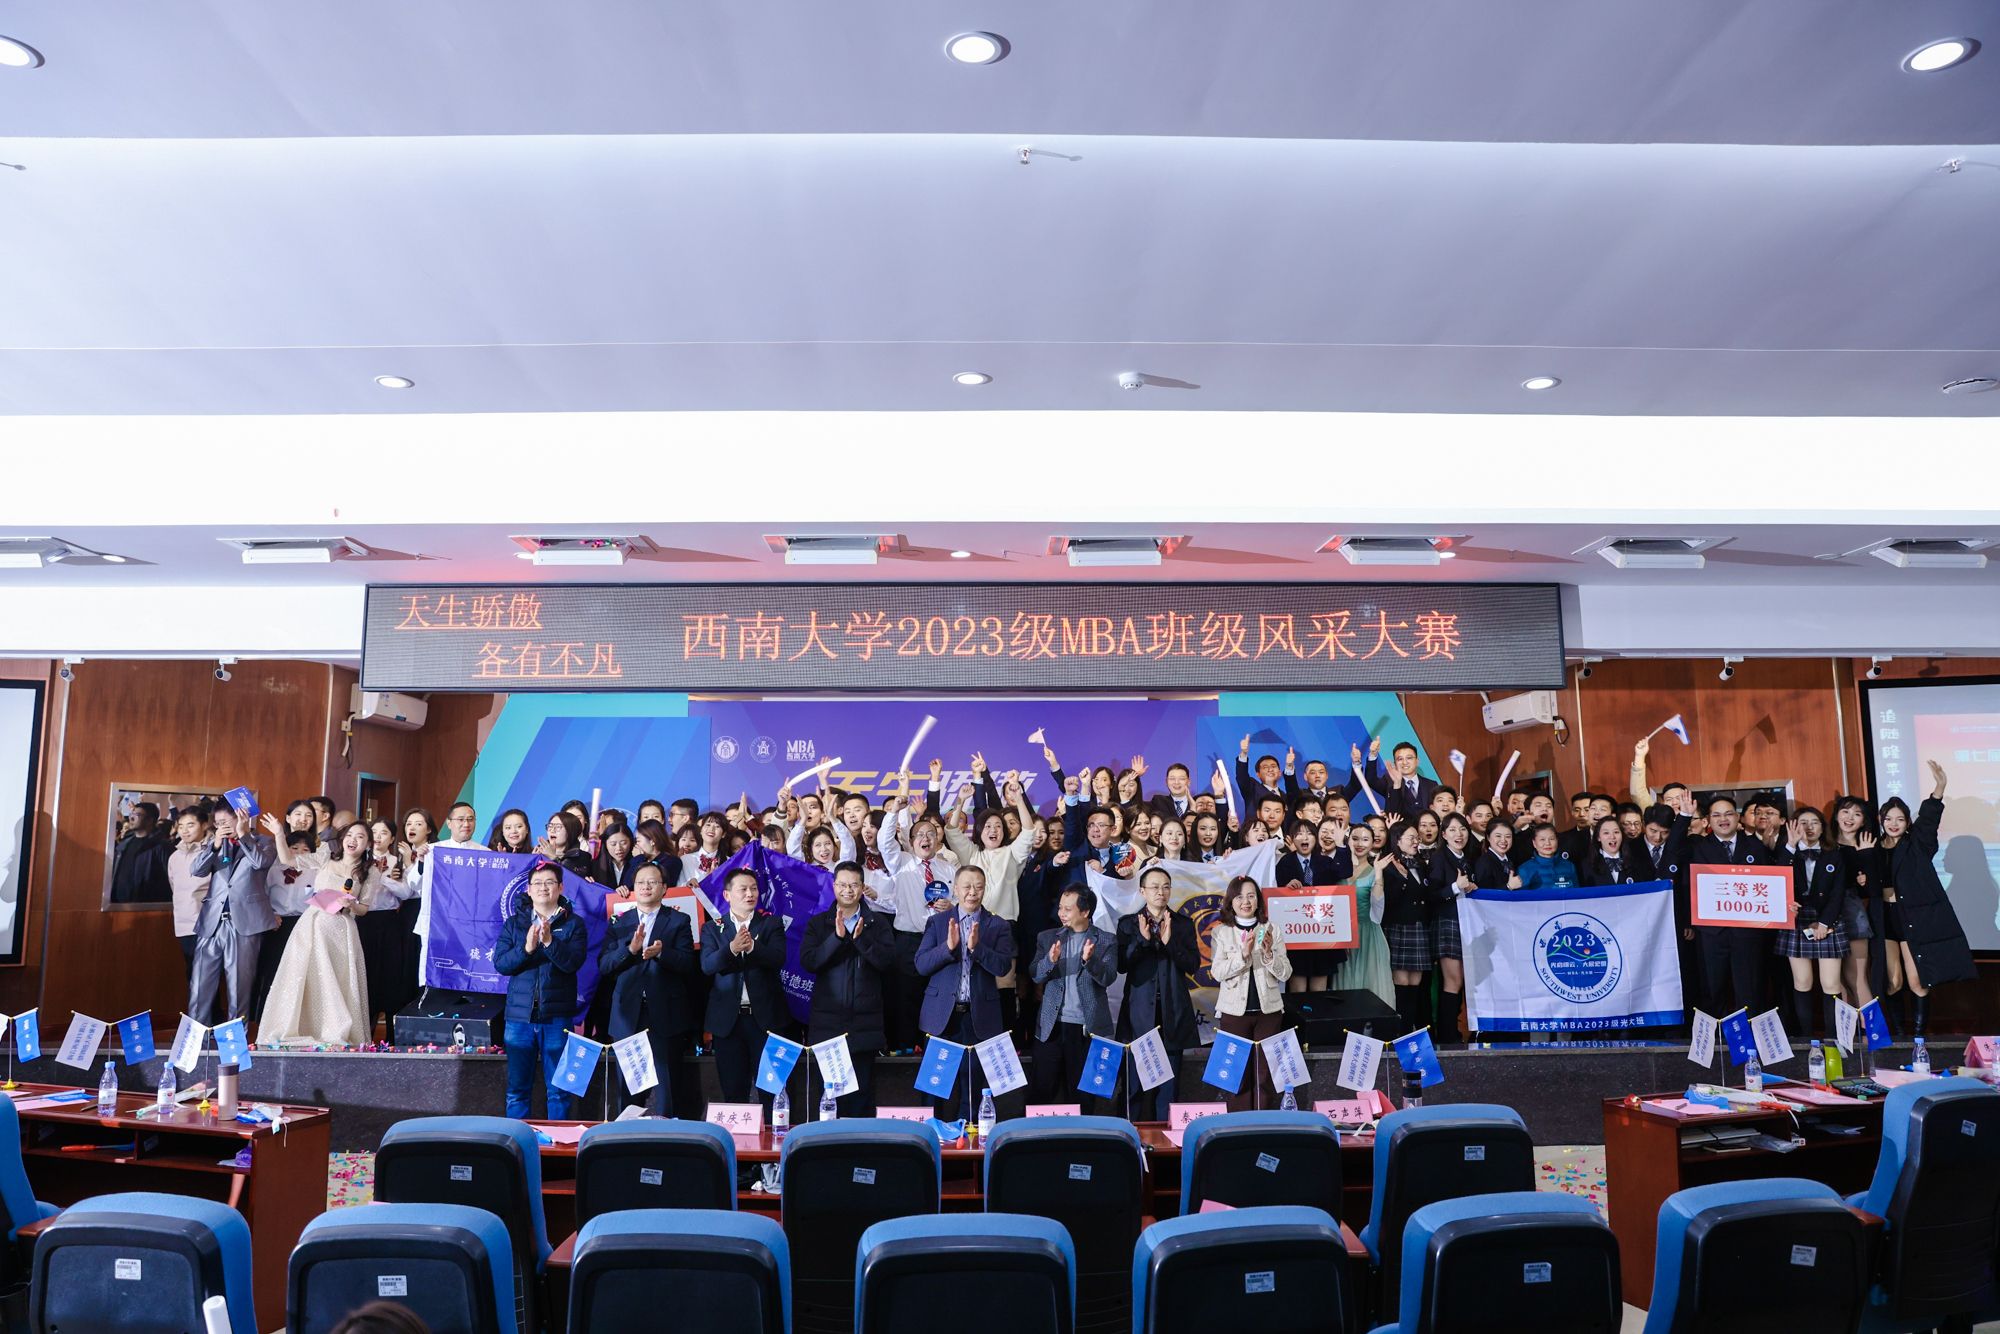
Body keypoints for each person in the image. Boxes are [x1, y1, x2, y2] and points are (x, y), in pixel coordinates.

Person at [1878, 761, 1976, 1035]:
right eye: (1888, 819)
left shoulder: (1917, 844)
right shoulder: (1873, 847)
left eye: (1900, 819)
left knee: (1917, 981)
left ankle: (1920, 1038)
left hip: (1911, 917)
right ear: (1881, 821)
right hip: (1884, 919)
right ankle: (1899, 1037)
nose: (1894, 824)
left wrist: (1939, 789)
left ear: (1908, 822)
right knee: (1892, 982)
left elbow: (1929, 820)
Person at [259, 820, 373, 1047]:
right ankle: (304, 1028)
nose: (353, 840)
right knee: (305, 975)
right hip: (313, 924)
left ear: (368, 844)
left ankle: (334, 1030)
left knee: (336, 980)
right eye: (350, 835)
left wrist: (351, 904)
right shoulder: (325, 858)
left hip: (342, 930)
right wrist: (279, 833)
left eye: (360, 837)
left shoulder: (369, 871)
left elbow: (364, 908)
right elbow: (288, 860)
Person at [915, 865, 1016, 1119]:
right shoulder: (937, 922)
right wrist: (948, 948)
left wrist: (977, 948)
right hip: (941, 1016)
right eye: (967, 887)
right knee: (934, 1087)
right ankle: (931, 1136)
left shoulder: (998, 925)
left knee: (973, 1087)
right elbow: (921, 964)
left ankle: (971, 1139)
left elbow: (1003, 967)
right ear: (956, 890)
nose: (973, 892)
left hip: (979, 1016)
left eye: (978, 887)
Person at [598, 861, 697, 1115]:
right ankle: (628, 1135)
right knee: (628, 1089)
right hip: (627, 1015)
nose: (646, 887)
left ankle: (666, 1134)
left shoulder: (678, 920)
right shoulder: (619, 921)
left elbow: (687, 963)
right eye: (641, 882)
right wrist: (630, 950)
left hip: (666, 1013)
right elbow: (605, 966)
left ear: (664, 888)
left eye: (652, 882)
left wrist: (662, 953)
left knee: (667, 1087)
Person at [801, 861, 896, 1115]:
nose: (848, 890)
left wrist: (861, 939)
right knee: (829, 1099)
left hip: (865, 1025)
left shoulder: (877, 922)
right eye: (842, 885)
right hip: (828, 1025)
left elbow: (887, 963)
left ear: (862, 888)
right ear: (834, 887)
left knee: (860, 1098)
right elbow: (809, 962)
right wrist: (837, 937)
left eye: (854, 885)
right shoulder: (819, 923)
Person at [494, 862, 588, 1119]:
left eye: (549, 882)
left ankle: (558, 1143)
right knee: (517, 1090)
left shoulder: (574, 924)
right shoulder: (515, 923)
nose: (543, 888)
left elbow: (572, 963)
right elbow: (501, 964)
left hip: (557, 1017)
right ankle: (517, 1141)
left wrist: (549, 942)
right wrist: (526, 948)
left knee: (559, 1091)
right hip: (519, 1018)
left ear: (560, 888)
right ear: (528, 889)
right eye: (537, 883)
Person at [1687, 795, 1781, 1019]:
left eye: (1728, 813)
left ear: (1738, 817)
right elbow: (1687, 886)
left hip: (1748, 932)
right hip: (1711, 933)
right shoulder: (1698, 848)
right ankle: (1717, 1036)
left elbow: (1770, 884)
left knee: (1750, 989)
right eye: (1717, 815)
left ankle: (1749, 1035)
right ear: (1708, 820)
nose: (1723, 819)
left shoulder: (1756, 846)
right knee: (1712, 989)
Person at [1117, 866, 1199, 1119]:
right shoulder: (1128, 924)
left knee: (1169, 1088)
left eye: (1165, 887)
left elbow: (1193, 966)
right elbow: (1121, 965)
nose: (1160, 892)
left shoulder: (1183, 924)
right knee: (1133, 1084)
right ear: (1142, 891)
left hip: (1172, 1011)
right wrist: (1142, 941)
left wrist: (1169, 942)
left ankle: (1166, 1137)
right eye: (1154, 887)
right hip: (1139, 1014)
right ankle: (1129, 1134)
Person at [700, 868, 787, 1106]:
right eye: (743, 889)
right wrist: (731, 948)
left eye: (754, 889)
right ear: (727, 895)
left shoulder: (771, 923)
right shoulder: (712, 928)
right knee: (733, 1091)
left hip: (766, 1020)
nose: (750, 894)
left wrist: (752, 948)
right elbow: (707, 966)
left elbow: (778, 958)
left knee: (772, 1091)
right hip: (728, 1023)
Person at [1029, 886, 1120, 1112]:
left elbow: (1108, 977)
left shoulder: (1106, 940)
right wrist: (1050, 961)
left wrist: (1090, 961)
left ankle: (1083, 1133)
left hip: (1086, 1028)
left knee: (1083, 1096)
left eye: (1068, 909)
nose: (1061, 913)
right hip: (1051, 1026)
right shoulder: (1048, 937)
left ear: (1085, 912)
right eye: (1060, 908)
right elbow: (1036, 975)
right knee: (1042, 1091)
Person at [188, 801, 278, 1028]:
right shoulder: (215, 843)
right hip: (211, 921)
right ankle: (195, 1039)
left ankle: (234, 1041)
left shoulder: (264, 842)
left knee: (239, 987)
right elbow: (196, 870)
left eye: (225, 822)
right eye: (217, 823)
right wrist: (215, 845)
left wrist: (243, 834)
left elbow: (260, 863)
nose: (221, 827)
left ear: (241, 817)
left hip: (244, 924)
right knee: (199, 985)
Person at [1210, 877, 1293, 1113]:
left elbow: (1286, 973)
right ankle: (1239, 1122)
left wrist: (1268, 955)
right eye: (1239, 897)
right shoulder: (1221, 932)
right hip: (1233, 1012)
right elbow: (1218, 973)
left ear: (1258, 900)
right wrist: (1243, 956)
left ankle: (1263, 1121)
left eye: (1250, 896)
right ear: (1231, 902)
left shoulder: (1272, 929)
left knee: (1265, 1072)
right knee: (1236, 1073)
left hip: (1269, 1012)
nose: (1245, 902)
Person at [1776, 808, 1847, 1040]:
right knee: (1802, 981)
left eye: (1814, 822)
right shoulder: (1786, 851)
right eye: (1803, 822)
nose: (1809, 827)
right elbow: (1776, 879)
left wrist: (1825, 922)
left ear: (1823, 827)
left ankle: (1834, 1040)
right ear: (1793, 826)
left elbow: (1838, 893)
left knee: (1831, 983)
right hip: (1796, 919)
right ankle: (1808, 1041)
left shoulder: (1834, 854)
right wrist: (1790, 846)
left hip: (1827, 918)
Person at [413, 802, 481, 989]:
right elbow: (414, 885)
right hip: (438, 923)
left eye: (470, 819)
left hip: (469, 925)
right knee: (435, 974)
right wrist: (421, 861)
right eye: (460, 819)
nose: (466, 824)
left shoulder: (484, 854)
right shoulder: (432, 851)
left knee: (466, 974)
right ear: (449, 823)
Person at [1424, 813, 1476, 1042]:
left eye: (1463, 829)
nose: (1459, 834)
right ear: (1443, 834)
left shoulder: (1467, 858)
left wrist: (1470, 887)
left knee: (1462, 980)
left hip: (1466, 924)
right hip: (1447, 923)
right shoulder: (1439, 858)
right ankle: (1447, 1036)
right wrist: (1456, 886)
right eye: (1453, 830)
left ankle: (1455, 1032)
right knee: (1452, 981)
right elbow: (1432, 895)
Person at [1276, 819, 1343, 993]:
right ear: (1292, 839)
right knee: (1298, 990)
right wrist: (1286, 888)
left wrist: (1341, 845)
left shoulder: (1326, 862)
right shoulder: (1284, 863)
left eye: (1309, 834)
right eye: (1299, 834)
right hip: (1297, 936)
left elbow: (1345, 871)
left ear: (1316, 838)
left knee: (1319, 991)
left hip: (1322, 933)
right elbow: (1276, 899)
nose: (1304, 838)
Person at [1379, 822, 1434, 1034]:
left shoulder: (1420, 864)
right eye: (1410, 837)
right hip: (1399, 926)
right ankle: (1400, 1032)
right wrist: (1402, 879)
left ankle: (1410, 1029)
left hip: (1419, 927)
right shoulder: (1389, 865)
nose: (1415, 841)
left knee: (1416, 982)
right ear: (1398, 840)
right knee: (1401, 982)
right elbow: (1387, 901)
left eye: (1416, 837)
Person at [1830, 796, 1883, 1007]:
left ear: (1863, 821)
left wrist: (1866, 856)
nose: (1850, 817)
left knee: (1857, 977)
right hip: (1828, 918)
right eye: (1845, 811)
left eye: (1857, 814)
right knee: (1838, 981)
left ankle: (1872, 1026)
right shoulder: (1826, 846)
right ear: (1836, 815)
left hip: (1854, 915)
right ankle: (1849, 1026)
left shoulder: (1868, 845)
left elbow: (1873, 890)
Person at [1338, 824, 1394, 1008]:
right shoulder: (1338, 869)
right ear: (1348, 840)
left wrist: (1378, 873)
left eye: (1365, 839)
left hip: (1367, 935)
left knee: (1369, 987)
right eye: (1355, 839)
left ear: (1372, 843)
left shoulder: (1374, 871)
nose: (1359, 844)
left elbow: (1378, 906)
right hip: (1341, 935)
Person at [165, 805, 212, 978]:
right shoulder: (174, 857)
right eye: (181, 826)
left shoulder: (214, 851)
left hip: (208, 922)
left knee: (206, 974)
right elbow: (174, 887)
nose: (184, 831)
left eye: (190, 825)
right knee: (192, 971)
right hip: (184, 923)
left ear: (204, 825)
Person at [109, 800, 174, 903]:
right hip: (119, 903)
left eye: (137, 815)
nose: (131, 818)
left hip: (146, 904)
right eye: (131, 814)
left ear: (149, 820)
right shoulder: (124, 843)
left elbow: (172, 878)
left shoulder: (162, 847)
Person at [1514, 825, 1578, 891]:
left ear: (1557, 840)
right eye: (1542, 839)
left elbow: (1576, 893)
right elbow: (1522, 896)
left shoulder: (1569, 866)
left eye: (1551, 839)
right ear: (1534, 843)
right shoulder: (1524, 869)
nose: (1547, 843)